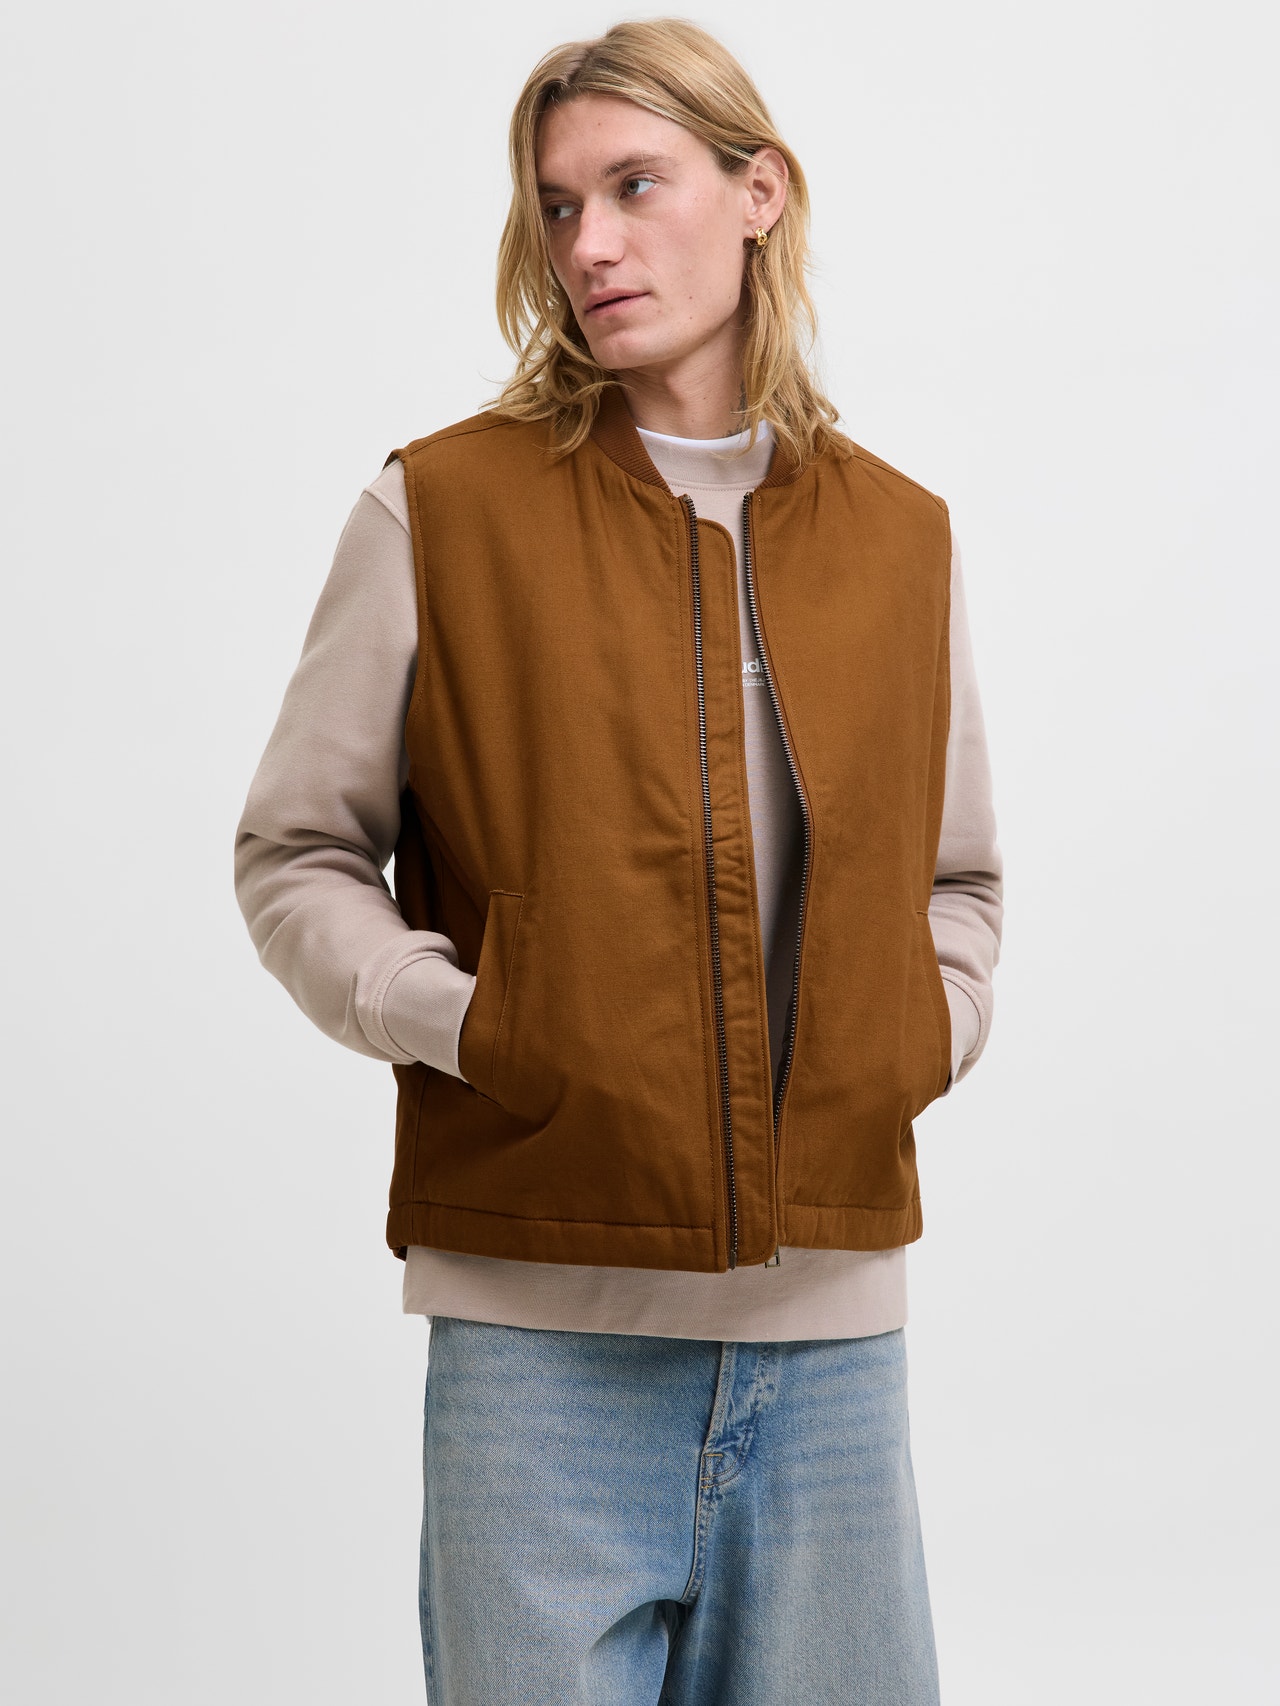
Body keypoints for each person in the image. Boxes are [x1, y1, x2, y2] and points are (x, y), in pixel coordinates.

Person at [234, 17, 1002, 1703]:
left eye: (635, 186)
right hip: (539, 1346)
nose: (589, 242)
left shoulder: (898, 538)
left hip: (832, 1352)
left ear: (759, 192)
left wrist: (919, 1033)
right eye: (559, 204)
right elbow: (296, 853)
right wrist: (473, 1020)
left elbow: (958, 880)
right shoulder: (441, 510)